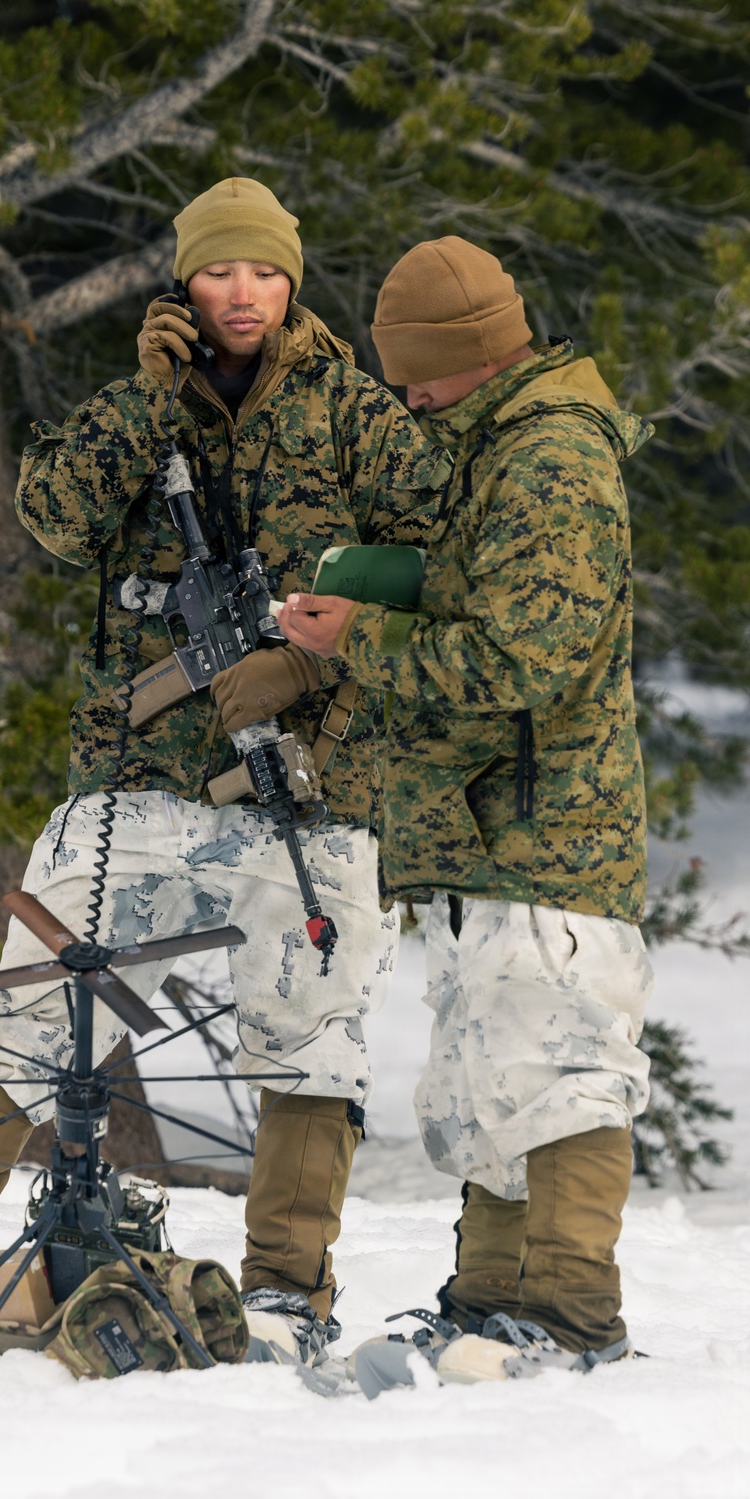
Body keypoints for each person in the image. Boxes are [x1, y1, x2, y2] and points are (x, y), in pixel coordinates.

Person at [0, 179, 436, 1366]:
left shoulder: (358, 418)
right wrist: (146, 405)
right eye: (216, 271)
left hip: (307, 780)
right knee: (29, 1005)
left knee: (315, 1031)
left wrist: (310, 672)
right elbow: (51, 515)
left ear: (292, 280)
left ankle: (288, 1286)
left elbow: (434, 569)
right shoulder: (138, 406)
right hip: (136, 784)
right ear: (182, 282)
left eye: (261, 271)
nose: (240, 293)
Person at [278, 234, 655, 1380]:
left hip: (553, 830)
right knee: (490, 1068)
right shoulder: (492, 446)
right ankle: (493, 1298)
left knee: (565, 1064)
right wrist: (369, 575)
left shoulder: (550, 459)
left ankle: (574, 1313)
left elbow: (531, 653)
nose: (404, 393)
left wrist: (361, 639)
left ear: (478, 351)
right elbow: (476, 583)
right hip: (487, 832)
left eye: (418, 370)